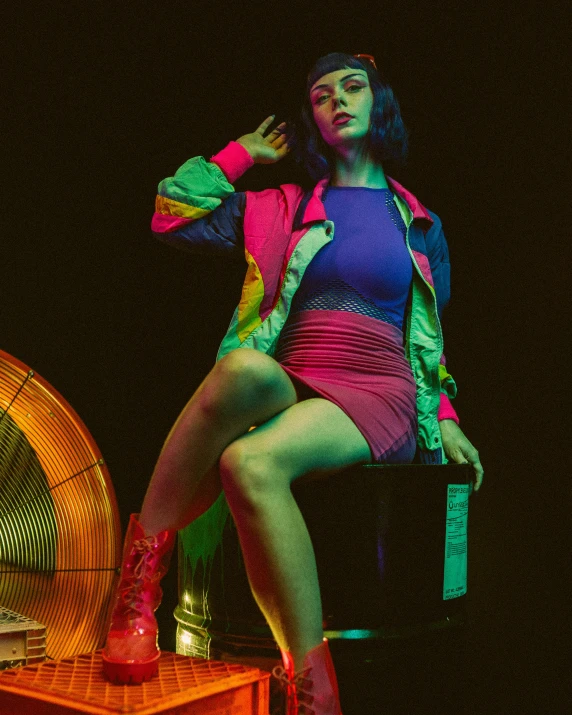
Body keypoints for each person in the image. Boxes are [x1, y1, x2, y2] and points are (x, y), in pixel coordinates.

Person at [102, 52, 484, 714]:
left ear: (378, 102)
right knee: (241, 368)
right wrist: (240, 153)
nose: (336, 100)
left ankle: (312, 689)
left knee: (249, 462)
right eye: (320, 95)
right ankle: (136, 596)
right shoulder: (279, 206)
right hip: (297, 372)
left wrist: (444, 415)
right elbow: (172, 214)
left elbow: (427, 339)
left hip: (377, 391)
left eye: (352, 87)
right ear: (311, 117)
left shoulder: (418, 222)